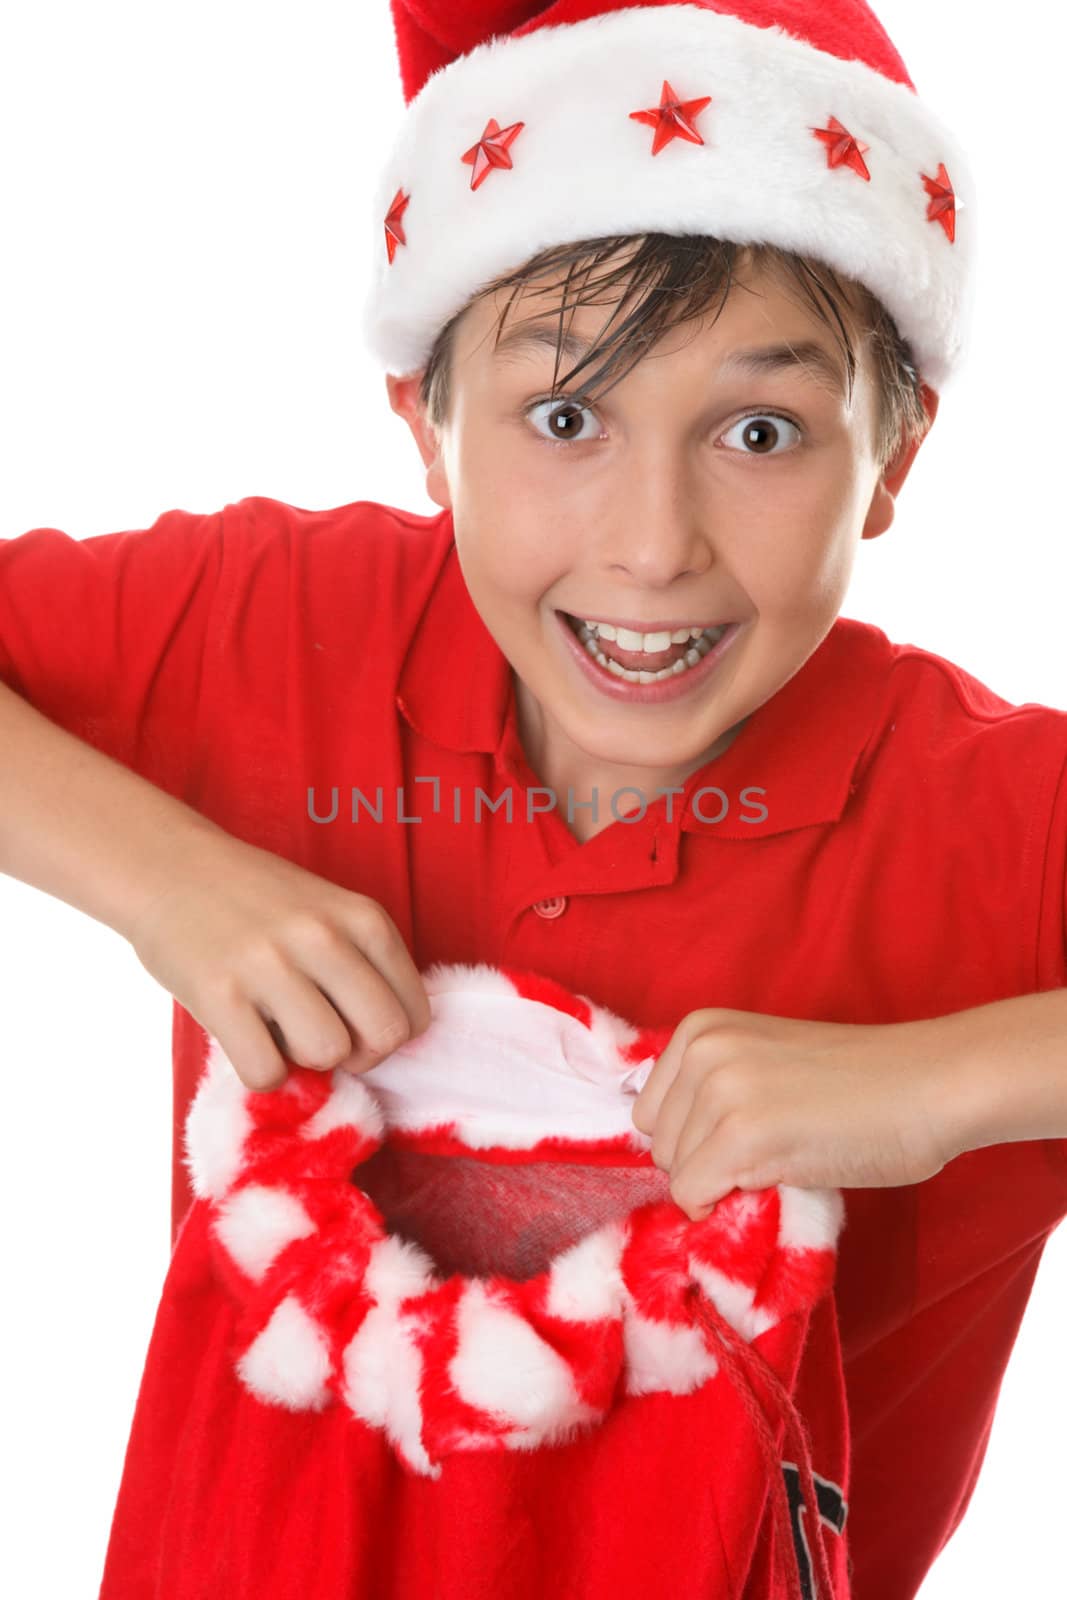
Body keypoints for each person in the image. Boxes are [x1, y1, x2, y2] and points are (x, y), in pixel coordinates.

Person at [1, 1, 1065, 1596]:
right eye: (564, 418)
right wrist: (171, 882)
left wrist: (948, 1084)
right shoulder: (271, 626)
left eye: (761, 432)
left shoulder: (997, 819)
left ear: (895, 459)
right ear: (425, 427)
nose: (652, 546)